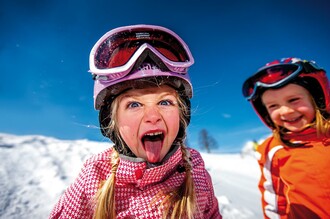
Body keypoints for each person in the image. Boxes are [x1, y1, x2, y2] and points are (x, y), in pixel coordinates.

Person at [49, 24, 221, 219]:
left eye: (165, 102)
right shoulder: (94, 178)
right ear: (111, 122)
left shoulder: (196, 171)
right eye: (134, 105)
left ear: (182, 115)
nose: (152, 116)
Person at [242, 57, 330, 219]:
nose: (285, 111)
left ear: (316, 99)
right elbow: (274, 201)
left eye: (294, 100)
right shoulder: (273, 150)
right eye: (273, 106)